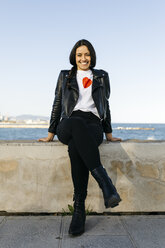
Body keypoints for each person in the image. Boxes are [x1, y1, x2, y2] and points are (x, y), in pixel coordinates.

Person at [38, 39, 122, 236]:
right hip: (69, 122)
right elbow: (57, 103)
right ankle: (105, 184)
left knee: (76, 147)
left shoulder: (101, 76)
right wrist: (51, 133)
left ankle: (79, 209)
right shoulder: (64, 76)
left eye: (87, 54)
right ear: (74, 57)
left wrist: (108, 133)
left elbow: (106, 105)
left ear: (91, 56)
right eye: (79, 55)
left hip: (93, 124)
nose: (83, 58)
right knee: (76, 124)